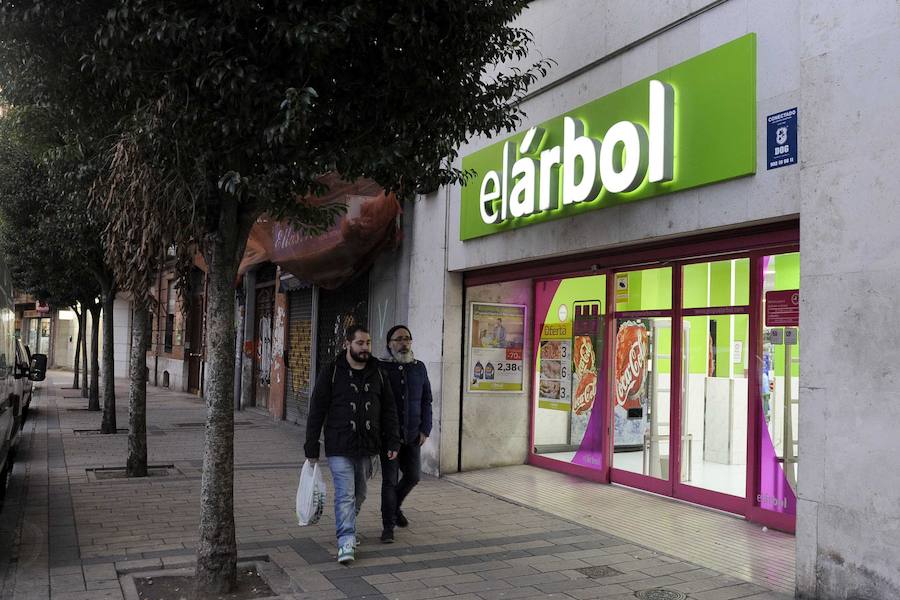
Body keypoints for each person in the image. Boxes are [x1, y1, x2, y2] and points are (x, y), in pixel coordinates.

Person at [305, 325, 401, 564]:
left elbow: (389, 409)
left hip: (368, 445)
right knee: (345, 494)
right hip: (339, 443)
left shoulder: (378, 371)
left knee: (360, 493)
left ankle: (347, 524)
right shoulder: (332, 371)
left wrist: (393, 440)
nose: (365, 347)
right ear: (347, 344)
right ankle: (346, 539)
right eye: (360, 343)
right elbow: (317, 409)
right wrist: (311, 445)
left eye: (368, 343)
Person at [379, 325, 433, 543]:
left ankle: (395, 507)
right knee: (389, 481)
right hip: (389, 437)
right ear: (389, 343)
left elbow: (426, 400)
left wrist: (425, 429)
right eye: (399, 339)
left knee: (413, 476)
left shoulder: (419, 368)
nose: (404, 343)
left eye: (407, 339)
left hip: (412, 435)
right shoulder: (381, 368)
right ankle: (387, 527)